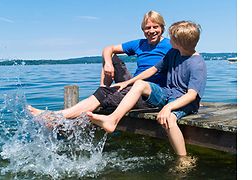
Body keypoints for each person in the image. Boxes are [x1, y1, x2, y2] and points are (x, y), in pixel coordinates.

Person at [87, 21, 207, 157]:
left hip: (184, 102)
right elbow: (154, 69)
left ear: (179, 42)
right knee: (140, 84)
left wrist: (168, 108)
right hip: (167, 94)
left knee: (170, 119)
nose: (168, 39)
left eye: (172, 38)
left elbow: (191, 95)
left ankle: (183, 158)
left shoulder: (197, 64)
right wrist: (128, 82)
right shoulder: (173, 53)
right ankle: (112, 120)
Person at [28, 10, 172, 119]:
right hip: (132, 85)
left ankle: (57, 116)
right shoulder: (140, 44)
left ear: (162, 28)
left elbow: (189, 57)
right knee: (110, 55)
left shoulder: (170, 45)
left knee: (104, 95)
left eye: (155, 27)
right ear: (143, 30)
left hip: (151, 94)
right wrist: (108, 63)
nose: (151, 31)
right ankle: (103, 89)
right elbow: (108, 48)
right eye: (148, 28)